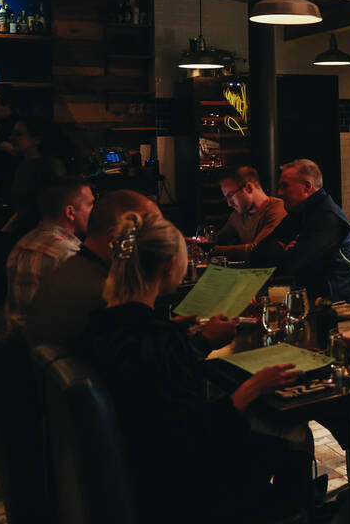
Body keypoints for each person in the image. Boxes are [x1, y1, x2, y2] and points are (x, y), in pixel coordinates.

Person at [77, 212, 307, 524]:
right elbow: (195, 433)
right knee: (293, 448)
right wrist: (254, 387)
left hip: (135, 469)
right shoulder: (158, 343)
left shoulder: (100, 324)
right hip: (182, 490)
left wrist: (179, 334)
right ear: (169, 265)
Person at [26, 189, 237, 351]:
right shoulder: (108, 296)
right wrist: (203, 341)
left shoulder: (73, 269)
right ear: (114, 239)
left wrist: (169, 328)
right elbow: (144, 373)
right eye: (148, 229)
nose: (158, 236)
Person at [250, 158, 350, 301]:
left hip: (332, 302)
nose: (279, 192)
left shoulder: (327, 218)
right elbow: (257, 253)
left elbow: (291, 266)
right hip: (304, 292)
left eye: (285, 186)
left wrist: (282, 251)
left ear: (307, 186)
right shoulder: (300, 211)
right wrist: (283, 251)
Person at [3, 178, 93, 330]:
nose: (94, 211)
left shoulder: (23, 243)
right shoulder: (69, 253)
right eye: (90, 204)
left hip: (15, 342)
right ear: (70, 212)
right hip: (46, 346)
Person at [7, 116, 69, 235]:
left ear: (37, 139)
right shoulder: (23, 165)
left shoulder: (50, 166)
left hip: (43, 234)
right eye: (12, 134)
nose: (11, 138)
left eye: (18, 134)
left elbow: (55, 205)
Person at [211, 165, 286, 258]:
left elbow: (257, 249)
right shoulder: (239, 213)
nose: (229, 204)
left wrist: (212, 250)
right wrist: (197, 242)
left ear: (249, 188)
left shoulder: (277, 208)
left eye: (230, 196)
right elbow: (219, 239)